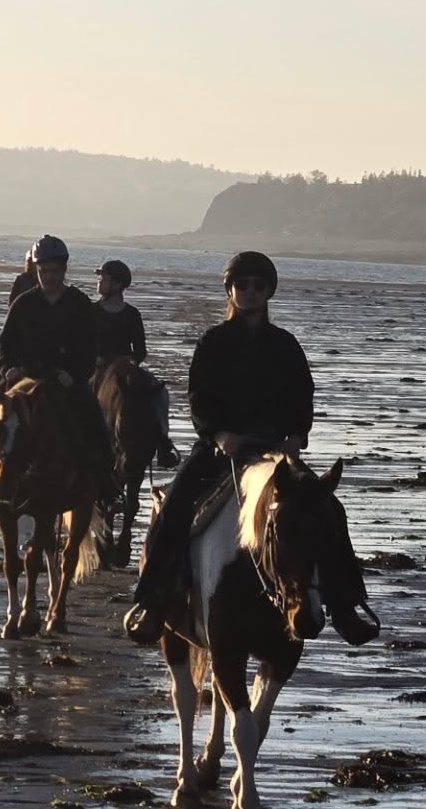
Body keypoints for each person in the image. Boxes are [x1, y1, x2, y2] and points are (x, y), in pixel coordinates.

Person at [122, 250, 313, 641]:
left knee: (322, 509)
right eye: (241, 284)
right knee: (175, 508)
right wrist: (218, 434)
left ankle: (343, 602)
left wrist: (297, 434)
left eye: (258, 285)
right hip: (221, 448)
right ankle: (151, 600)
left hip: (276, 451)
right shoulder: (213, 342)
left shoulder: (287, 346)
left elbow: (302, 396)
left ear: (269, 292)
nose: (249, 291)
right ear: (229, 290)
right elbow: (198, 398)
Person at [0, 234, 116, 503]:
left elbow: (89, 348)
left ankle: (107, 485)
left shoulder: (80, 304)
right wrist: (9, 369)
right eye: (43, 271)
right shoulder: (24, 303)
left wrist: (73, 374)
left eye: (54, 271)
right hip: (24, 378)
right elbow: (6, 344)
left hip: (64, 379)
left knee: (92, 420)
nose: (48, 277)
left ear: (64, 270)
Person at [93, 257, 179, 468]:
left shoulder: (132, 314)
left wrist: (130, 359)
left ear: (118, 285)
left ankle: (163, 443)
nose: (99, 283)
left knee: (160, 393)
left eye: (104, 279)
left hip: (125, 368)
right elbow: (84, 342)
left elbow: (140, 350)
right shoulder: (92, 311)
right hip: (99, 368)